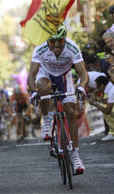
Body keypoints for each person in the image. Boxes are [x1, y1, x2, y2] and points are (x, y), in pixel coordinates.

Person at [27, 24, 88, 174]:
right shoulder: (40, 49)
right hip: (45, 75)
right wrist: (34, 91)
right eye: (52, 41)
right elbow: (31, 75)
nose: (56, 44)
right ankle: (47, 119)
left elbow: (83, 74)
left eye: (59, 41)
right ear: (47, 40)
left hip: (64, 76)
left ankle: (75, 156)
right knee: (44, 86)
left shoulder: (72, 48)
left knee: (71, 111)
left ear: (64, 39)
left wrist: (81, 86)